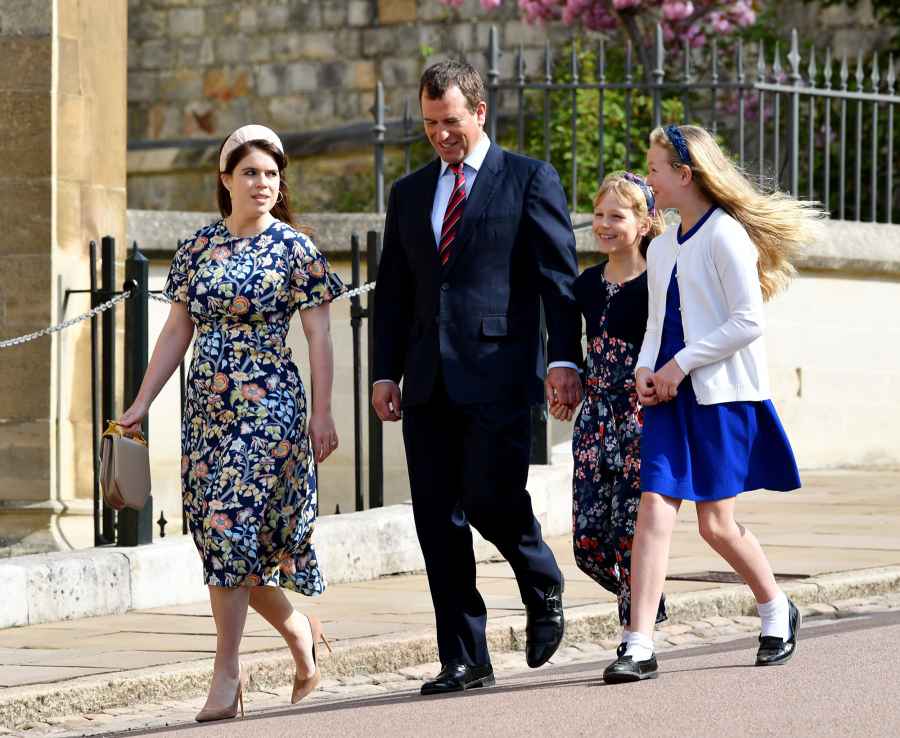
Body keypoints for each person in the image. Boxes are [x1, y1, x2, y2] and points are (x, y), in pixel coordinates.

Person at [118, 124, 346, 719]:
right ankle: (299, 633)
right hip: (208, 411)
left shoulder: (297, 250)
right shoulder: (197, 249)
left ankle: (225, 675)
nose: (263, 183)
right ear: (226, 180)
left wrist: (322, 411)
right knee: (223, 541)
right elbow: (175, 331)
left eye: (272, 174)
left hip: (271, 408)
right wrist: (142, 403)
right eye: (250, 172)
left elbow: (320, 337)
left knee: (231, 529)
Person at [372, 60, 583, 695]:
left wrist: (564, 360)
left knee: (491, 496)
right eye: (431, 123)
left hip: (499, 372)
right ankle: (465, 657)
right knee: (437, 519)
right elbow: (395, 291)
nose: (441, 135)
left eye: (452, 122)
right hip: (428, 379)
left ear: (480, 113)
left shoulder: (528, 178)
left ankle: (540, 576)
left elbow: (558, 279)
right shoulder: (410, 193)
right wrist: (385, 372)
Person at [602, 124, 823, 684]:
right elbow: (655, 324)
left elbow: (748, 322)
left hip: (718, 395)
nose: (648, 177)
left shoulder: (727, 235)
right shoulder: (665, 245)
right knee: (654, 510)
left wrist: (680, 366)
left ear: (684, 174)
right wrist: (646, 372)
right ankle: (639, 642)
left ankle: (776, 610)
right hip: (668, 397)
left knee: (716, 526)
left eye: (654, 169)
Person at [549, 172, 668, 651]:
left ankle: (634, 634)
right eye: (598, 215)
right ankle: (644, 597)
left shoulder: (658, 281)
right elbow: (572, 346)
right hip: (595, 421)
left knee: (628, 531)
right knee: (589, 542)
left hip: (639, 420)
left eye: (616, 216)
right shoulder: (587, 285)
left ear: (643, 223)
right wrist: (568, 380)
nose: (603, 224)